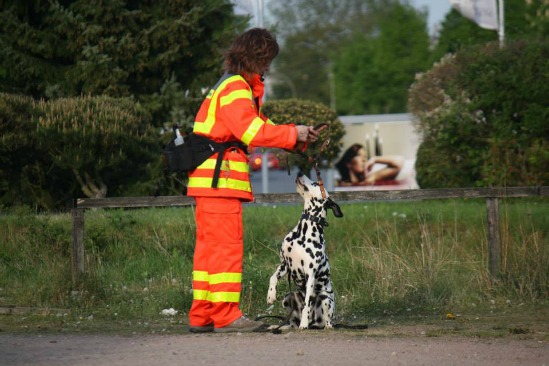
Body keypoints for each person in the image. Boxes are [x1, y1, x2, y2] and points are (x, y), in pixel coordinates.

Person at [186, 28, 319, 333]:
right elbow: (252, 131)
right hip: (221, 183)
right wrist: (292, 134)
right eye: (267, 60)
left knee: (209, 252)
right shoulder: (235, 88)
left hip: (211, 183)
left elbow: (257, 125)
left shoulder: (230, 86)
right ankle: (226, 316)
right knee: (226, 248)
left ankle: (203, 315)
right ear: (256, 58)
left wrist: (296, 137)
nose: (268, 67)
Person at [335, 143, 403, 186]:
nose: (364, 160)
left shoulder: (369, 180)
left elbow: (399, 162)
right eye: (359, 155)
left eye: (365, 157)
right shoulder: (338, 183)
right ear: (348, 163)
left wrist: (375, 159)